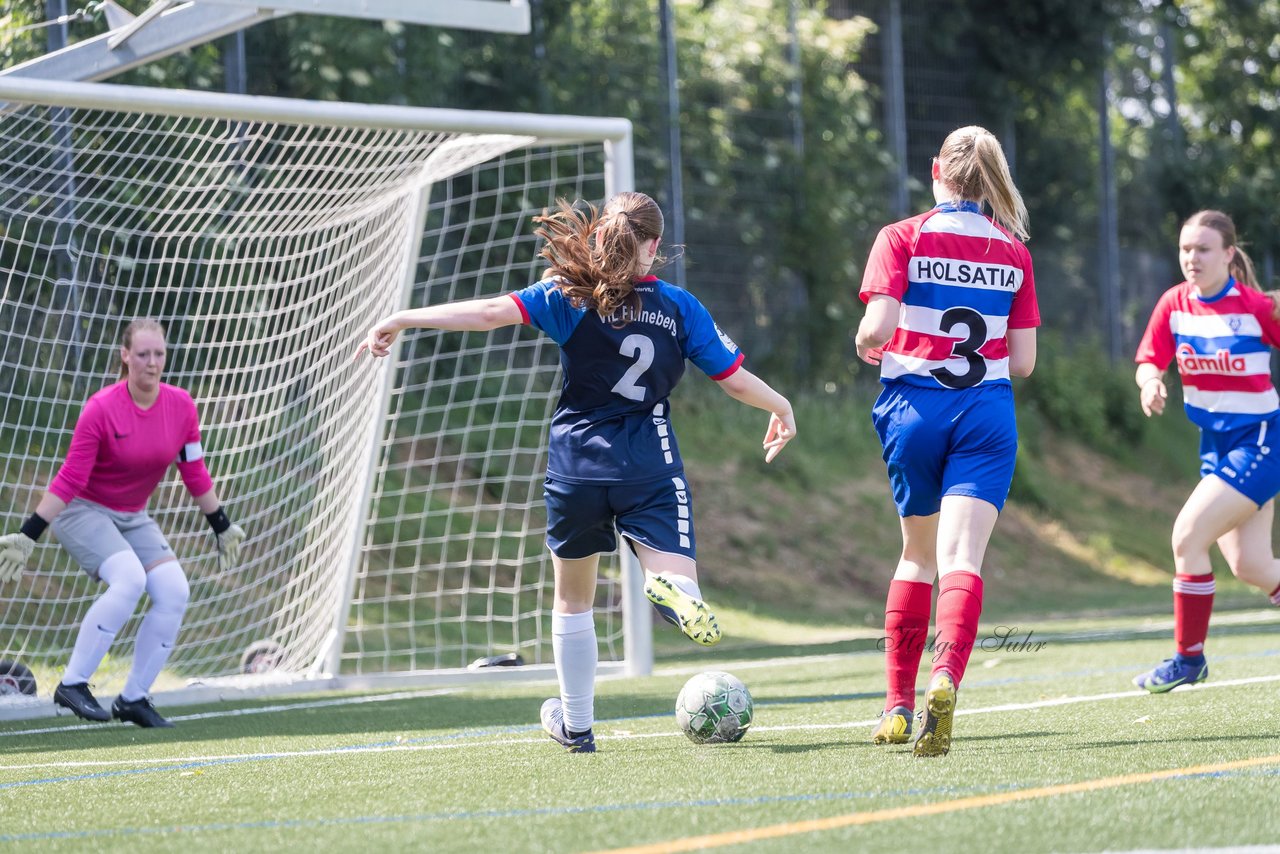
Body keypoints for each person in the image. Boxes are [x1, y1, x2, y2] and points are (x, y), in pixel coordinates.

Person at [355, 191, 795, 753]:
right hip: (648, 463)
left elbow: (490, 313)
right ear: (654, 245)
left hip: (576, 465)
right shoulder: (681, 307)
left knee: (574, 601)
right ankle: (672, 589)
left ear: (600, 234)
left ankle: (579, 726)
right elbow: (733, 378)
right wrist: (780, 407)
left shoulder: (569, 295)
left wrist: (403, 317)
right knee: (674, 571)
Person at [855, 126, 1038, 757]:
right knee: (963, 560)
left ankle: (896, 708)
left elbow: (877, 326)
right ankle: (945, 678)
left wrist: (865, 340)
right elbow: (1024, 361)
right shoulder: (1013, 252)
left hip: (912, 411)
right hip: (985, 414)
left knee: (916, 556)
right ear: (990, 181)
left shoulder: (900, 237)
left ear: (936, 170)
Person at [0, 319, 246, 728]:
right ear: (125, 356)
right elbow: (70, 479)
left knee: (174, 590)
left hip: (133, 516)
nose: (152, 363)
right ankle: (73, 684)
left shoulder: (182, 405)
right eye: (144, 354)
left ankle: (133, 698)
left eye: (159, 355)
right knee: (129, 578)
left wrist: (221, 524)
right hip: (82, 512)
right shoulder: (101, 408)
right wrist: (29, 535)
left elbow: (194, 470)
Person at [1131, 210, 1280, 693]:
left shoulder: (1256, 308)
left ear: (1229, 255)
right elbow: (1150, 359)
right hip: (1215, 449)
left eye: (1203, 249)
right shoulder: (1174, 304)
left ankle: (1187, 660)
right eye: (1185, 249)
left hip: (1260, 442)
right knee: (1252, 567)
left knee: (1187, 537)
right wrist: (1151, 382)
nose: (1191, 258)